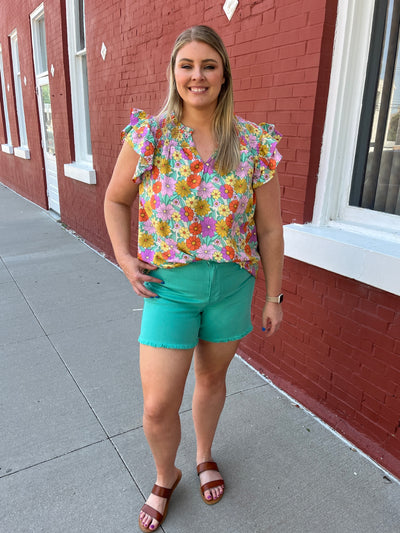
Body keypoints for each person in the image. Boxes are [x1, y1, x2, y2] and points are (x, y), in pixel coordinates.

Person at [104, 24, 284, 533]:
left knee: (211, 379)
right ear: (174, 74)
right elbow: (116, 199)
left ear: (224, 74)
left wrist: (274, 294)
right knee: (159, 406)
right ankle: (167, 474)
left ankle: (205, 454)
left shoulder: (252, 142)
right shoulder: (151, 135)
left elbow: (269, 228)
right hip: (168, 290)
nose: (197, 75)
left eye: (209, 65)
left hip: (231, 287)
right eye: (187, 65)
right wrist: (123, 255)